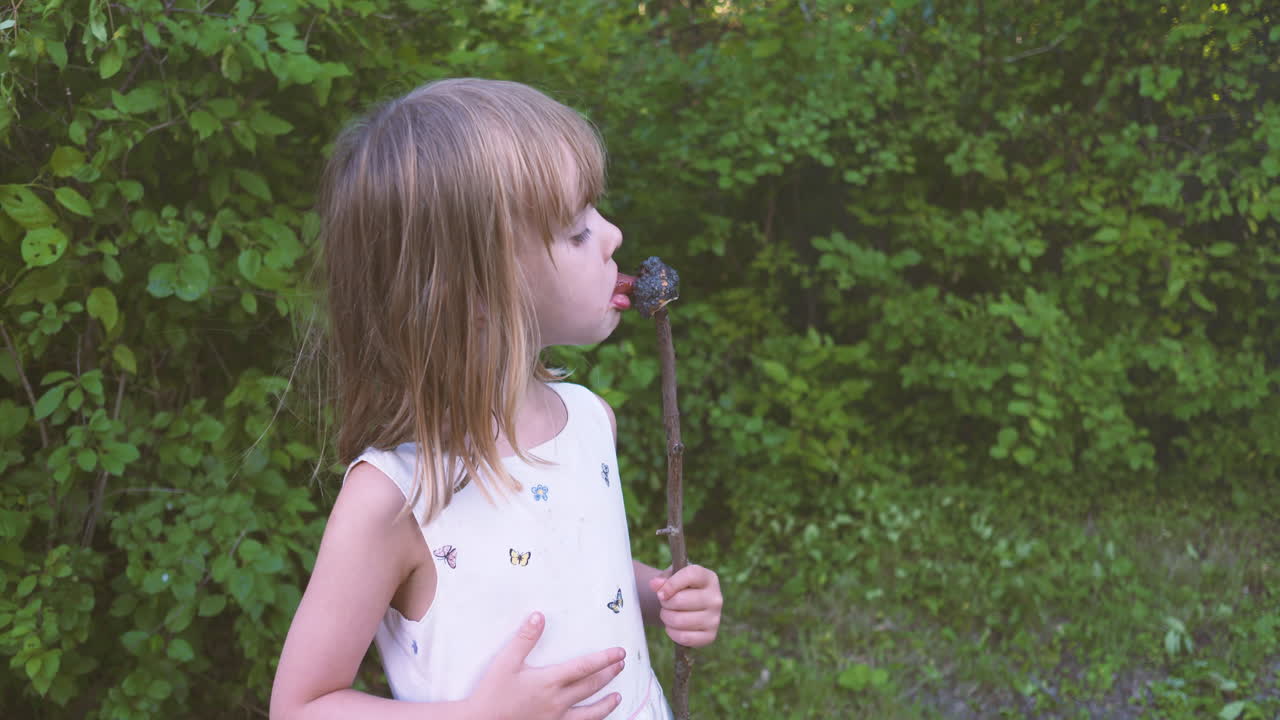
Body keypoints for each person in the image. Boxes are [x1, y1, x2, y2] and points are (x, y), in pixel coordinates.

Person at [270, 78, 723, 720]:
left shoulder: (589, 420)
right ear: (477, 291)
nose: (613, 235)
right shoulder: (394, 498)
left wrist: (660, 592)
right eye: (576, 232)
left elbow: (577, 569)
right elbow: (301, 706)